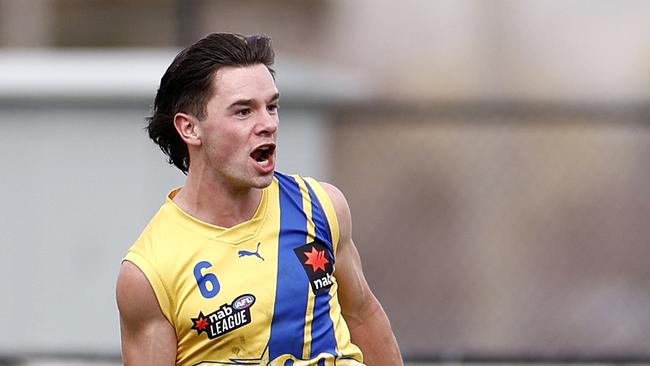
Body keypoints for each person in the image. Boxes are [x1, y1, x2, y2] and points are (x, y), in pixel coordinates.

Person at [116, 32, 403, 366]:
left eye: (272, 107)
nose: (267, 124)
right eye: (243, 112)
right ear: (190, 129)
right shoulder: (150, 271)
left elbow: (362, 314)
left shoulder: (321, 206)